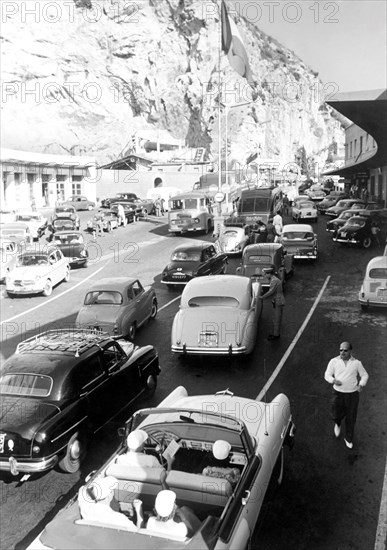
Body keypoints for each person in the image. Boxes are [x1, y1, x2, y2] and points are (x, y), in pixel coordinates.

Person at [324, 342, 369, 449]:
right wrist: (333, 380)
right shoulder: (333, 361)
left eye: (345, 350)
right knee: (336, 414)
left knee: (351, 417)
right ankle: (338, 424)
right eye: (340, 350)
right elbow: (327, 374)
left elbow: (364, 375)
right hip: (337, 394)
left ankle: (348, 438)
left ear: (350, 351)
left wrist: (361, 384)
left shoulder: (357, 363)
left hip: (352, 395)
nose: (342, 352)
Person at [259, 265, 285, 340]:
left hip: (278, 300)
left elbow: (271, 291)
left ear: (269, 274)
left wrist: (262, 297)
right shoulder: (274, 279)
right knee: (276, 317)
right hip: (277, 299)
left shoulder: (274, 281)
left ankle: (276, 335)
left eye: (266, 274)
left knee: (277, 318)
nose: (265, 276)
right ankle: (275, 333)